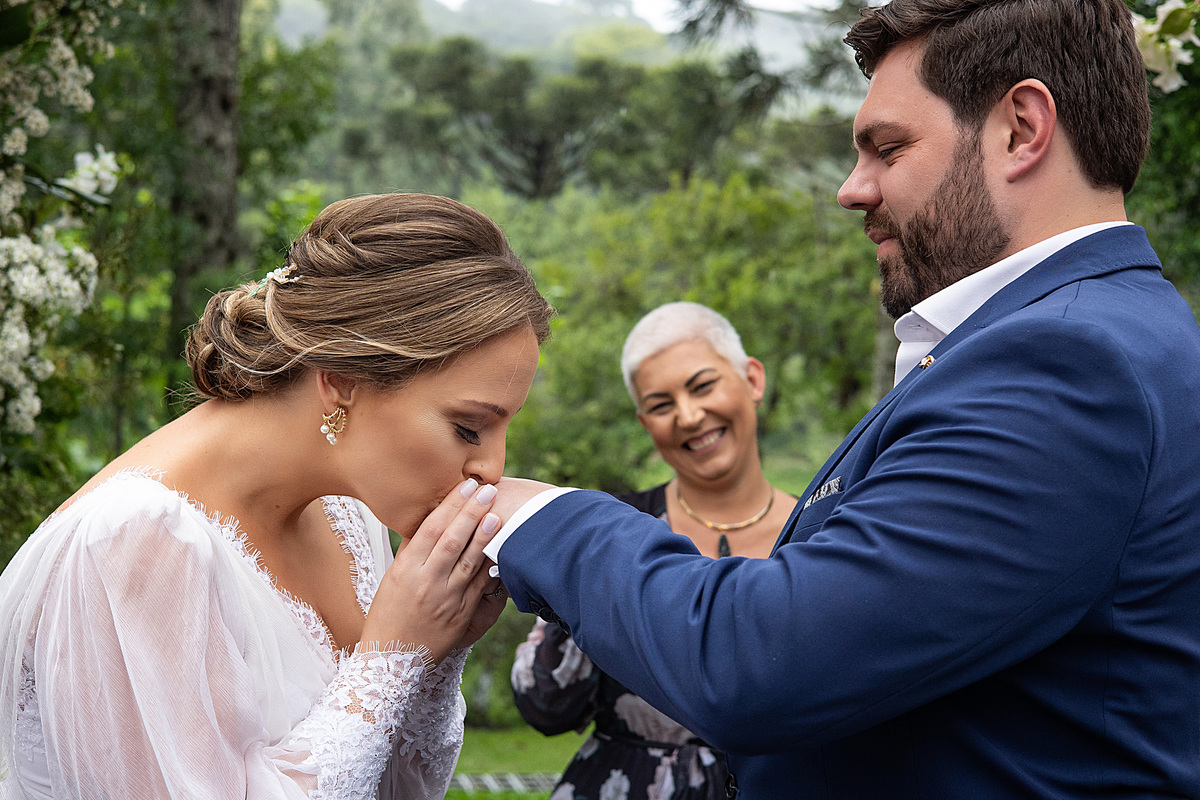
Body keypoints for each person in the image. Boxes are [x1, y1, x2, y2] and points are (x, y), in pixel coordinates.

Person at [481, 1, 1200, 796]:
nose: (851, 190)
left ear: (1022, 129)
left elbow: (760, 663)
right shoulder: (1093, 335)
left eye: (887, 149)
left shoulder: (1065, 364)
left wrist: (540, 517)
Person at [0, 193, 553, 800]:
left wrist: (430, 656)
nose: (491, 470)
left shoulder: (345, 513)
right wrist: (391, 656)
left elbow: (392, 788)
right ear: (341, 378)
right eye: (468, 428)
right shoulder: (137, 541)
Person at [510, 302, 796, 800]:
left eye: (703, 386)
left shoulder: (823, 528)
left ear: (752, 379)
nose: (689, 415)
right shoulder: (615, 530)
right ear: (646, 423)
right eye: (662, 404)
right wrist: (587, 577)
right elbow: (545, 705)